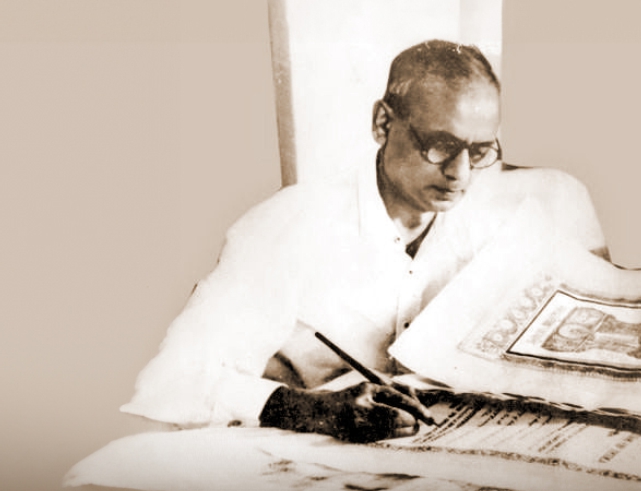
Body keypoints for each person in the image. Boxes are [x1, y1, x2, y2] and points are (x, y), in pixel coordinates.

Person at [121, 40, 608, 443]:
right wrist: (313, 410)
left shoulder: (504, 214)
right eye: (440, 145)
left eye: (479, 151)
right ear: (382, 124)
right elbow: (170, 382)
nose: (460, 173)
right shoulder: (288, 226)